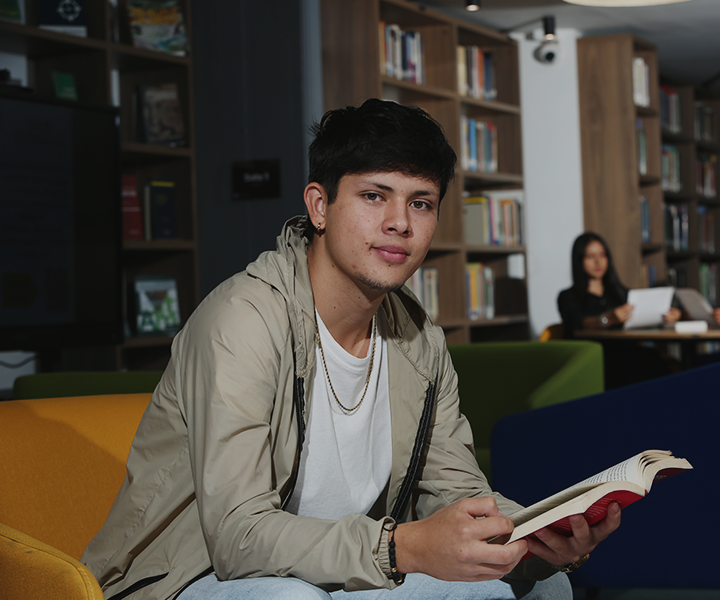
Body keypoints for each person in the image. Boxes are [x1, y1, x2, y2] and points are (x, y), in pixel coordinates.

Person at [82, 99, 621, 600]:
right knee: (290, 597)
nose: (399, 223)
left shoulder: (419, 340)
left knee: (543, 584)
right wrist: (401, 547)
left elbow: (455, 493)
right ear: (319, 206)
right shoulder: (242, 321)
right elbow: (238, 536)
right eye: (373, 195)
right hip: (193, 578)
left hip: (340, 572)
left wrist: (537, 533)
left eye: (421, 203)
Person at [557, 232, 680, 388]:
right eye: (590, 256)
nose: (598, 261)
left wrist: (666, 315)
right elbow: (578, 323)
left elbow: (640, 321)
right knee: (637, 365)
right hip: (593, 358)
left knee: (651, 359)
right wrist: (608, 319)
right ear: (579, 260)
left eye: (602, 255)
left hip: (626, 353)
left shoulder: (623, 295)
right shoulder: (568, 297)